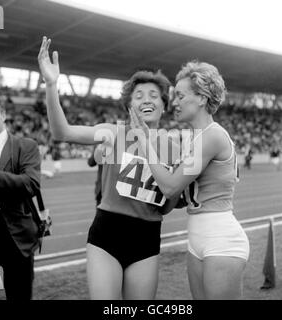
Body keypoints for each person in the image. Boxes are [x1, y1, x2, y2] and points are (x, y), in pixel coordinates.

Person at [37, 36, 180, 300]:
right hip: (107, 234)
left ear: (163, 104)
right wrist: (51, 83)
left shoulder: (174, 146)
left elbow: (169, 204)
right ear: (129, 105)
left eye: (153, 95)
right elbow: (62, 131)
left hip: (147, 237)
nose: (146, 100)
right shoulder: (113, 133)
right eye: (138, 95)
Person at [130, 60, 250, 300]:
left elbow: (171, 185)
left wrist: (144, 142)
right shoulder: (196, 139)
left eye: (181, 96)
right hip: (198, 237)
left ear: (202, 98)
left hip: (221, 240)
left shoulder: (212, 136)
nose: (174, 102)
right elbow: (180, 196)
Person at [0, 97, 41, 300]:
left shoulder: (26, 145)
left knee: (19, 295)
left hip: (16, 236)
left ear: (4, 114)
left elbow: (31, 183)